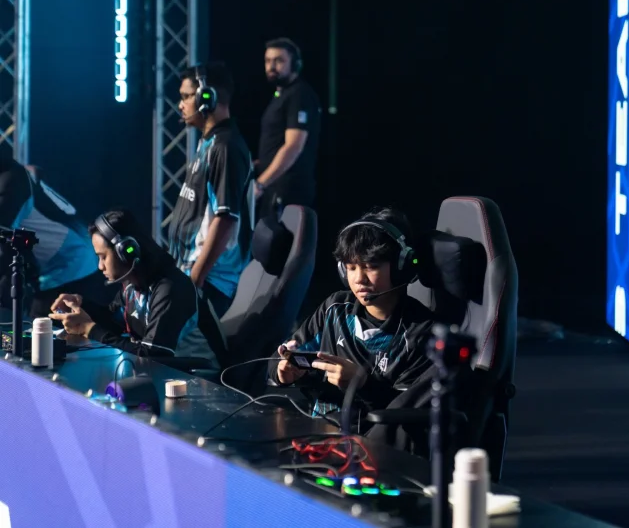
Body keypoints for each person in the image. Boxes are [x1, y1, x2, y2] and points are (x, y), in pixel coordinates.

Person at [267, 208, 435, 420]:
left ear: (401, 266)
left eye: (371, 266)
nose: (359, 279)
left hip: (372, 436)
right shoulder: (335, 308)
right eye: (351, 267)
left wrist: (363, 384)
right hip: (318, 428)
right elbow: (279, 357)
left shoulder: (420, 333)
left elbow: (405, 412)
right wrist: (283, 372)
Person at [49, 209, 227, 369]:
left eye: (103, 257)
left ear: (126, 251)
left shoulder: (170, 289)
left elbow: (153, 356)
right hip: (169, 377)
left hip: (203, 379)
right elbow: (114, 322)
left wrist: (90, 329)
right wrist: (81, 306)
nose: (100, 266)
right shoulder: (132, 284)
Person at [168, 61, 254, 317]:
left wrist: (195, 279)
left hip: (210, 283)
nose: (181, 105)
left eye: (186, 97)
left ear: (207, 97)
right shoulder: (210, 142)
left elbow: (225, 219)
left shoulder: (224, 148)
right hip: (196, 277)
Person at [0, 151, 110, 318]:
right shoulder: (12, 173)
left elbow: (3, 248)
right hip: (63, 265)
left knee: (44, 330)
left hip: (72, 265)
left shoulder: (10, 183)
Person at [255, 38, 322, 219]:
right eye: (268, 61)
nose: (271, 66)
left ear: (295, 64)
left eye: (279, 60)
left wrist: (260, 184)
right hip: (274, 189)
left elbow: (293, 146)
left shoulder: (299, 95)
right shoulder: (281, 94)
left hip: (288, 192)